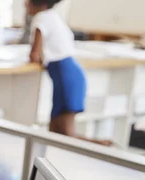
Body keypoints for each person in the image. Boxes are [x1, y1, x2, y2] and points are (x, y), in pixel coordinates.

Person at [26, 0, 111, 146]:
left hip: (66, 77)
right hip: (70, 74)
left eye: (27, 2)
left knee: (65, 136)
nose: (25, 4)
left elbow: (34, 55)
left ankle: (102, 146)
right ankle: (101, 145)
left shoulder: (41, 18)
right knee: (55, 133)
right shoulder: (53, 16)